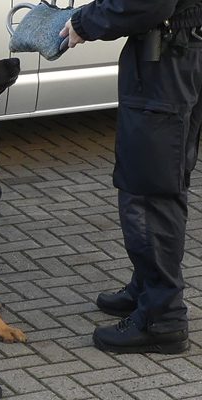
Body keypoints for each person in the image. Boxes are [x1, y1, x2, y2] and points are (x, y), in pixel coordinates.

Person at [60, 0, 202, 354]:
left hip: (167, 58)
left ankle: (162, 318)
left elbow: (148, 3)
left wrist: (85, 22)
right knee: (165, 181)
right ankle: (148, 288)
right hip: (178, 49)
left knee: (149, 193)